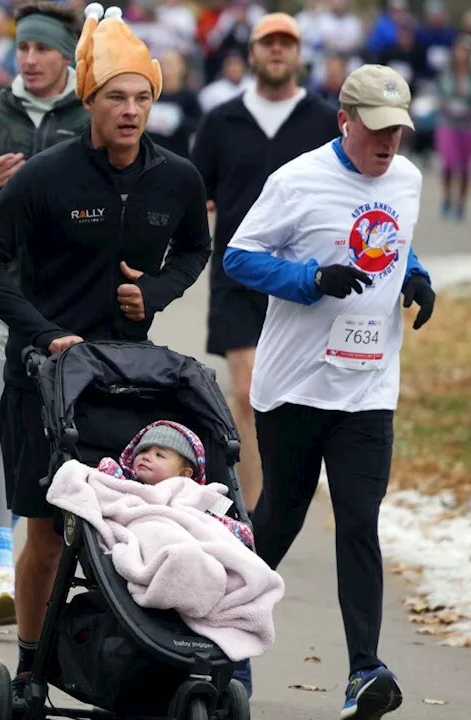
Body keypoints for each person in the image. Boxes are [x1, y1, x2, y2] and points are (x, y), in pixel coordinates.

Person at [0, 2, 211, 703]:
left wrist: (155, 293)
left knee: (127, 527)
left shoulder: (177, 180)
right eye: (115, 99)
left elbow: (196, 249)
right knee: (43, 528)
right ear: (89, 101)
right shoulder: (47, 176)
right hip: (42, 378)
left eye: (142, 98)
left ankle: (127, 657)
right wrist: (41, 331)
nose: (129, 112)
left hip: (125, 382)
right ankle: (33, 666)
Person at [222, 64, 436, 719]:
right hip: (294, 385)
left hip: (369, 387)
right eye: (376, 129)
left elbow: (394, 246)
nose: (388, 142)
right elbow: (238, 257)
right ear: (345, 122)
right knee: (279, 518)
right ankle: (224, 644)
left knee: (359, 521)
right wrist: (311, 278)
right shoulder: (297, 181)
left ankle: (364, 671)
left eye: (397, 129)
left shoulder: (407, 179)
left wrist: (418, 275)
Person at [0, 0, 89, 628]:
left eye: (42, 50)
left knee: (63, 433)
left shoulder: (88, 115)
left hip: (64, 300)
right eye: (22, 48)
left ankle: (52, 565)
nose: (29, 59)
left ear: (66, 57)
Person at [192, 13, 338, 515]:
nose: (277, 51)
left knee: (297, 402)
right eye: (267, 43)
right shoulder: (221, 121)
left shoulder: (324, 121)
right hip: (239, 274)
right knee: (250, 393)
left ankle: (283, 501)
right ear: (250, 53)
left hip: (309, 282)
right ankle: (253, 520)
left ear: (298, 55)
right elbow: (198, 199)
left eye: (287, 43)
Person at [96, 420, 255, 547]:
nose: (146, 457)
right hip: (144, 537)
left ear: (184, 474)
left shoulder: (194, 493)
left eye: (159, 455)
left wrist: (236, 531)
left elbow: (217, 518)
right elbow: (109, 479)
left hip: (184, 541)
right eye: (143, 451)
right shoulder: (129, 485)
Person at [434, 33, 471, 221]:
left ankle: (461, 204)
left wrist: (469, 97)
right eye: (459, 50)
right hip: (448, 123)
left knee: (465, 167)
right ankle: (446, 199)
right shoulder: (446, 74)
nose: (462, 55)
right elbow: (438, 94)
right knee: (447, 163)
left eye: (466, 51)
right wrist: (443, 103)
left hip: (469, 124)